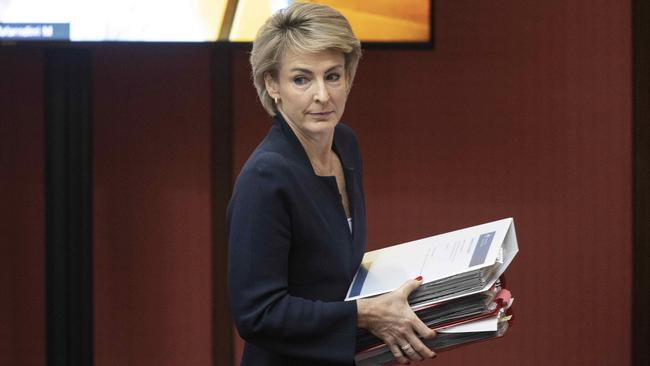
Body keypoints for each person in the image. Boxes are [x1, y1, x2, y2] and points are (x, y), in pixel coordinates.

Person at [227, 3, 436, 365]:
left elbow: (330, 274)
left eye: (333, 76)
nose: (323, 95)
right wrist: (364, 314)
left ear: (349, 76)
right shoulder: (266, 177)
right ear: (272, 84)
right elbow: (257, 314)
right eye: (301, 79)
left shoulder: (345, 144)